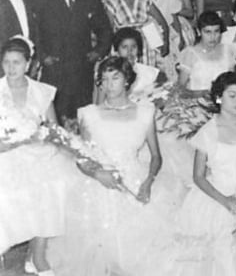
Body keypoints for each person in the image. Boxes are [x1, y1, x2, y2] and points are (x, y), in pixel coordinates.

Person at [50, 57, 175, 276]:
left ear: (127, 80)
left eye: (115, 78)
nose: (109, 85)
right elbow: (82, 157)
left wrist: (149, 181)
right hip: (98, 183)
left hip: (135, 181)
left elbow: (156, 156)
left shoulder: (145, 112)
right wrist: (98, 173)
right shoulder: (89, 113)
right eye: (104, 80)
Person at [173, 72, 236, 274]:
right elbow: (198, 176)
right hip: (217, 196)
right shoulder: (207, 132)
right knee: (222, 254)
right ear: (219, 97)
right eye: (232, 95)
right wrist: (226, 202)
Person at [0, 39, 72, 276]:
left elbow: (54, 128)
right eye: (7, 63)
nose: (11, 68)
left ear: (29, 64)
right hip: (5, 153)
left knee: (53, 183)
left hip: (37, 151)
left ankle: (37, 255)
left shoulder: (41, 91)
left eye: (17, 63)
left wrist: (43, 137)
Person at [32, 0, 112, 124]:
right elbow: (34, 33)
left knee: (83, 122)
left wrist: (98, 52)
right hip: (54, 72)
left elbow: (105, 29)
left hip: (82, 71)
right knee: (57, 125)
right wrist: (43, 56)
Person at [102, 0, 171, 67]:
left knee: (146, 75)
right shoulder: (112, 2)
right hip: (124, 47)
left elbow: (162, 23)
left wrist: (165, 43)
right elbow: (108, 30)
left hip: (145, 47)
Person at [96, 27, 165, 103]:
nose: (130, 51)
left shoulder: (148, 73)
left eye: (134, 47)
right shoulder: (108, 74)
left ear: (139, 49)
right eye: (124, 47)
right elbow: (100, 105)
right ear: (116, 50)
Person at [177, 12, 236, 94]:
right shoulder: (190, 53)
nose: (213, 37)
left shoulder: (228, 51)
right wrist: (201, 94)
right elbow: (180, 88)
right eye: (208, 32)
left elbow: (233, 84)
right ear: (199, 32)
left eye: (216, 31)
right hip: (196, 103)